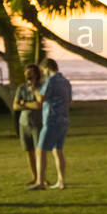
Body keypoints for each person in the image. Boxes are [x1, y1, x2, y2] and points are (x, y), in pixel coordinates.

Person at [30, 57, 71, 191]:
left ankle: (40, 182)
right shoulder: (66, 81)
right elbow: (70, 100)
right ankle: (61, 181)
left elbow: (41, 99)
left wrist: (34, 89)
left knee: (40, 150)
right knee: (57, 150)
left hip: (51, 119)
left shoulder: (51, 81)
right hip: (64, 119)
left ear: (47, 68)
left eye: (43, 70)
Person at [12, 64, 43, 186]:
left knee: (39, 152)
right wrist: (30, 104)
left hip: (37, 123)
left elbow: (39, 105)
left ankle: (41, 178)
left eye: (30, 72)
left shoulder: (41, 87)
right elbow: (15, 106)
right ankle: (35, 177)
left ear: (35, 74)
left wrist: (24, 103)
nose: (28, 75)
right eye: (26, 73)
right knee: (29, 152)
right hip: (23, 124)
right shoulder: (21, 88)